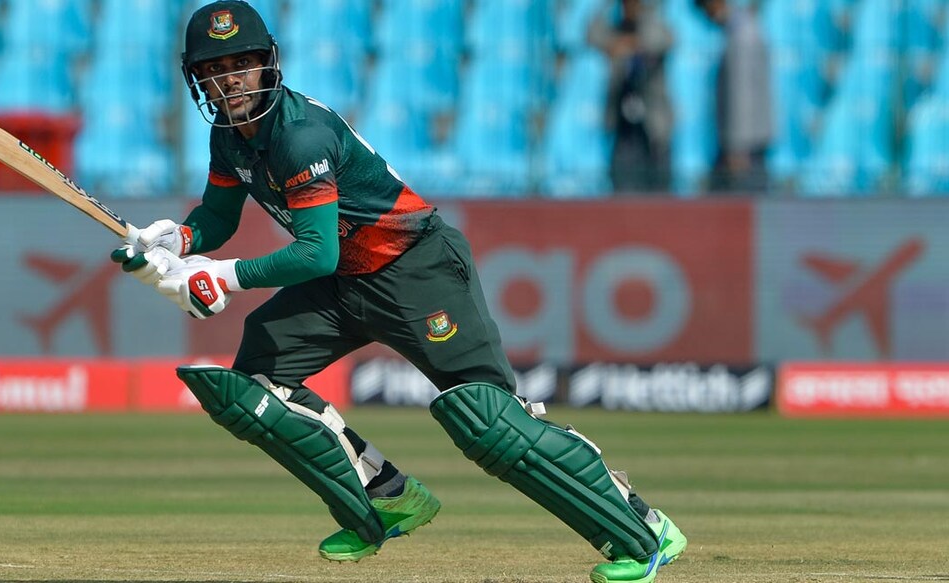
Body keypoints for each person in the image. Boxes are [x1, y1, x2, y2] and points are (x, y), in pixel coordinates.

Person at [112, 2, 686, 581]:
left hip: (417, 270)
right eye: (216, 66)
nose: (231, 78)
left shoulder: (299, 135)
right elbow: (218, 215)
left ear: (268, 65)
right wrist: (178, 240)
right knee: (255, 382)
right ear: (195, 76)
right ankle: (387, 497)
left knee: (487, 420)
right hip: (346, 285)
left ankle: (642, 530)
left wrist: (225, 277)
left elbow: (316, 252)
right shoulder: (229, 137)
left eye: (244, 62)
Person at [588, 0, 674, 194]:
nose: (629, 7)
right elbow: (591, 35)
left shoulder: (652, 23)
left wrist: (630, 44)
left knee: (658, 192)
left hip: (653, 128)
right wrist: (606, 5)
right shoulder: (616, 28)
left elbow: (663, 41)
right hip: (623, 127)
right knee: (623, 187)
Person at [696, 0, 772, 193]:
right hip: (748, 145)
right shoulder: (741, 28)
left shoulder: (741, 34)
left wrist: (737, 147)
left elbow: (742, 94)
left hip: (745, 149)